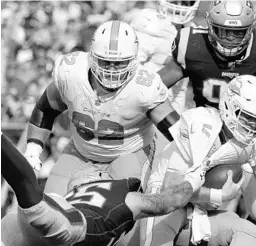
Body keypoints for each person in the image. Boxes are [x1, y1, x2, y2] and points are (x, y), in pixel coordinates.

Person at [157, 0, 256, 235]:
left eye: (238, 32)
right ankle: (190, 232)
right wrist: (178, 131)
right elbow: (154, 92)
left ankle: (241, 234)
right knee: (182, 192)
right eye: (224, 31)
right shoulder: (193, 45)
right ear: (210, 25)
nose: (230, 38)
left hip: (251, 135)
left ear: (251, 29)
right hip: (208, 135)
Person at [23, 20, 180, 197]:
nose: (112, 70)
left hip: (128, 154)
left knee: (118, 207)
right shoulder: (72, 75)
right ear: (93, 56)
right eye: (105, 62)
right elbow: (46, 108)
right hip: (81, 152)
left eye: (119, 63)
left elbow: (175, 130)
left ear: (133, 59)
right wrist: (33, 149)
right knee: (53, 202)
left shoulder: (144, 88)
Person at [139, 75, 256, 246]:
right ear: (230, 106)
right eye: (246, 116)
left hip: (198, 209)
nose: (252, 125)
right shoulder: (200, 124)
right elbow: (170, 190)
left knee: (249, 232)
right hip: (163, 206)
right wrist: (219, 195)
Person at [1, 132, 207, 246]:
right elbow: (172, 200)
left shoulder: (121, 194)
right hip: (69, 227)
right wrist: (194, 180)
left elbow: (170, 201)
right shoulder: (126, 197)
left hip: (58, 225)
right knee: (27, 190)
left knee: (27, 189)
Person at [131, 0, 201, 115]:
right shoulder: (150, 23)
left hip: (167, 105)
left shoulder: (192, 31)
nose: (178, 7)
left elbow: (180, 88)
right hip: (142, 102)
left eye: (184, 2)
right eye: (174, 1)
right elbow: (131, 69)